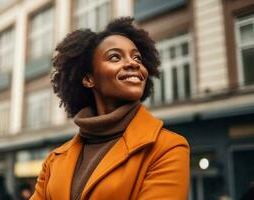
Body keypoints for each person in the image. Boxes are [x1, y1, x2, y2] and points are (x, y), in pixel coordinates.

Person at [30, 17, 190, 200]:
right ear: (89, 79)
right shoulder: (54, 161)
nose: (134, 63)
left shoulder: (168, 148)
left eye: (137, 57)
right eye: (115, 57)